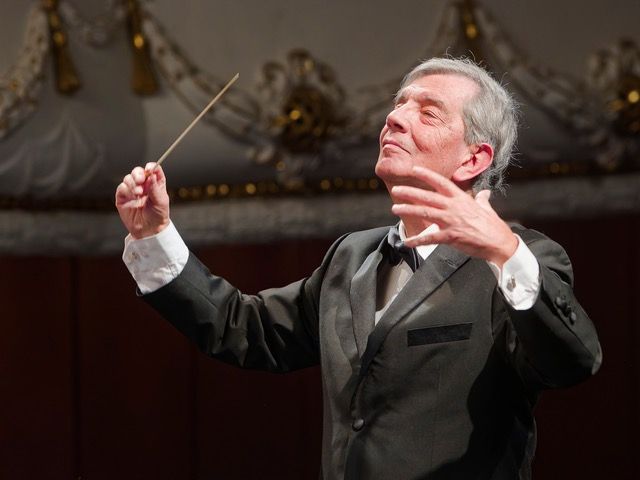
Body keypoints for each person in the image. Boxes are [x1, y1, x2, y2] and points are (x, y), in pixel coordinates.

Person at [116, 57, 601, 479]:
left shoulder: (519, 259)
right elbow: (245, 329)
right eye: (399, 104)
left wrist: (503, 250)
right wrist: (153, 235)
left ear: (474, 158)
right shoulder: (351, 256)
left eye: (427, 112)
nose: (394, 118)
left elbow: (571, 362)